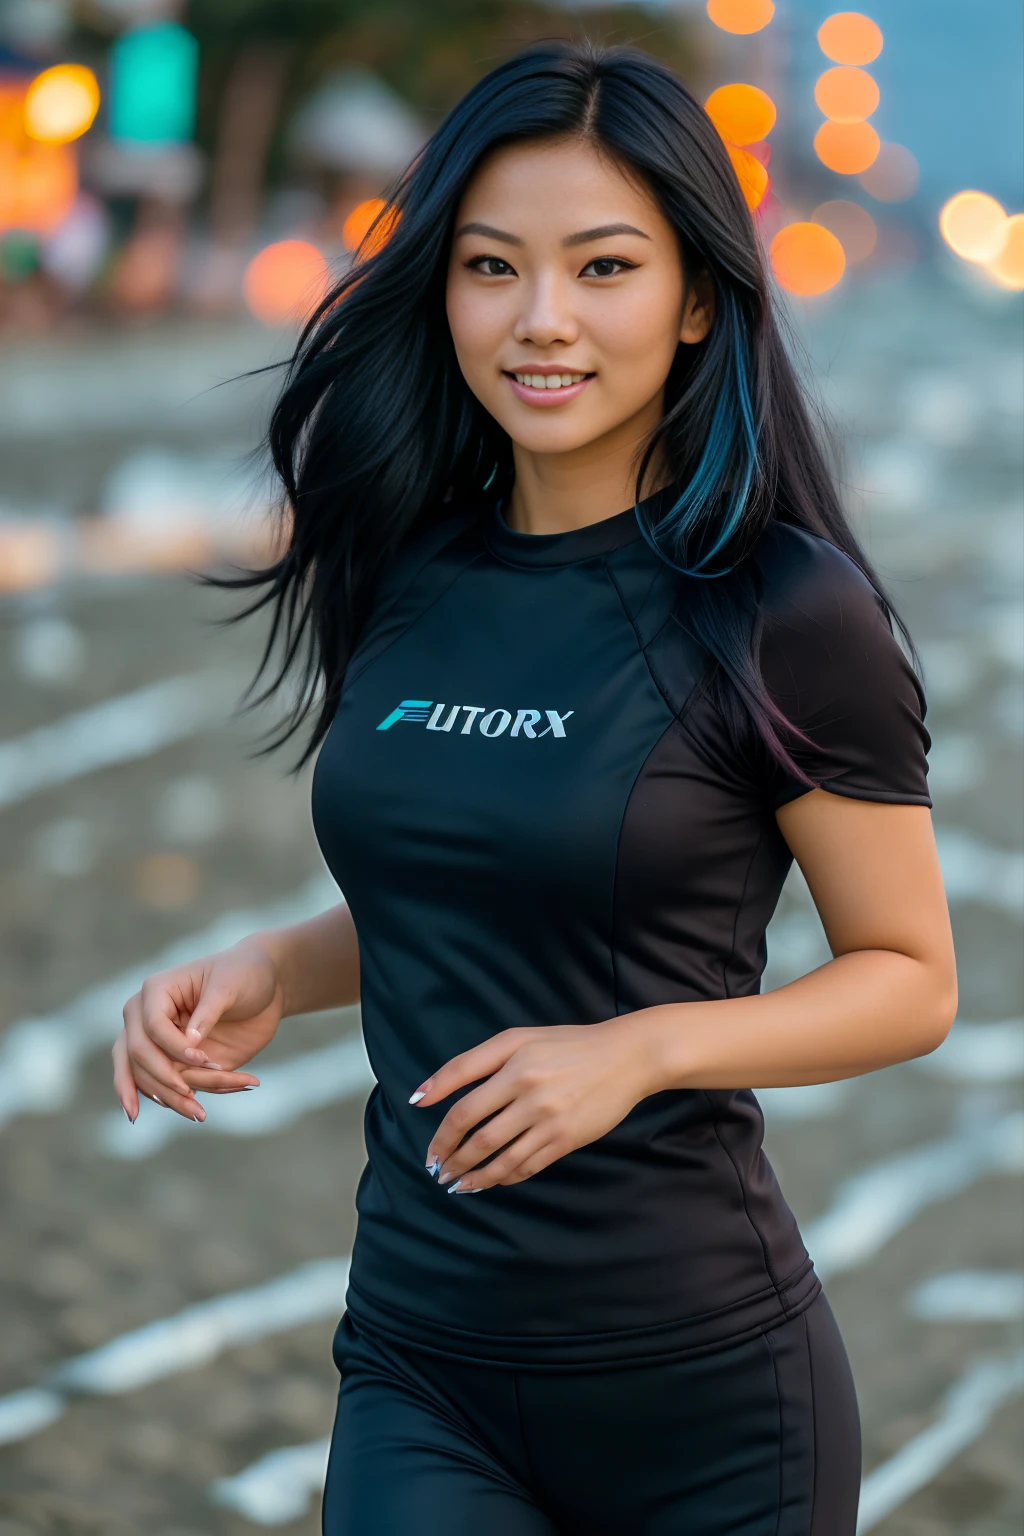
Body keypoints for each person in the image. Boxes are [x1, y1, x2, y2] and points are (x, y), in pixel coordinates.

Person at [112, 40, 957, 1536]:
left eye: (605, 268)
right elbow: (468, 892)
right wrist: (265, 965)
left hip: (702, 1397)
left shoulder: (784, 607)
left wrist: (634, 1052)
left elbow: (908, 981)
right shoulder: (403, 561)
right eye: (493, 267)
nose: (542, 320)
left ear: (697, 299)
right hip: (418, 1367)